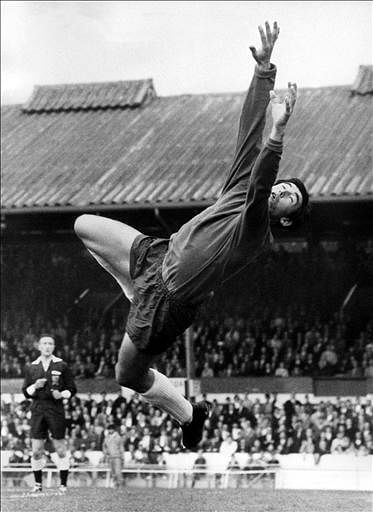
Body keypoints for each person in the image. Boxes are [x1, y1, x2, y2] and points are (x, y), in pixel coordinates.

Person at [74, 21, 307, 449]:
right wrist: (264, 72)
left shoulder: (255, 231)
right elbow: (248, 139)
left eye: (291, 197)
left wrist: (278, 135)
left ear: (286, 218)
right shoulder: (240, 187)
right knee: (83, 225)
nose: (283, 190)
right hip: (155, 257)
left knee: (126, 376)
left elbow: (260, 182)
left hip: (170, 300)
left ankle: (188, 412)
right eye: (286, 185)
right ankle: (131, 289)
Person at [22, 335, 77, 493]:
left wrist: (62, 394)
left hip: (55, 408)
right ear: (39, 346)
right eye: (44, 343)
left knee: (60, 448)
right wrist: (35, 386)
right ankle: (38, 484)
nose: (47, 346)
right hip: (38, 408)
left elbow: (72, 388)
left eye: (50, 343)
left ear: (53, 347)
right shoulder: (31, 366)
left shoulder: (62, 365)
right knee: (37, 450)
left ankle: (63, 484)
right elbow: (25, 392)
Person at [102, 424, 124, 488]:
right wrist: (105, 452)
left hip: (117, 457)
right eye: (109, 429)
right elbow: (104, 446)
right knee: (113, 472)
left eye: (111, 429)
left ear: (114, 430)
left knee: (118, 472)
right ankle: (115, 484)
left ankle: (120, 485)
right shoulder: (107, 437)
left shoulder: (118, 437)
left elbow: (121, 447)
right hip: (110, 457)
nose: (110, 430)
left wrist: (122, 457)